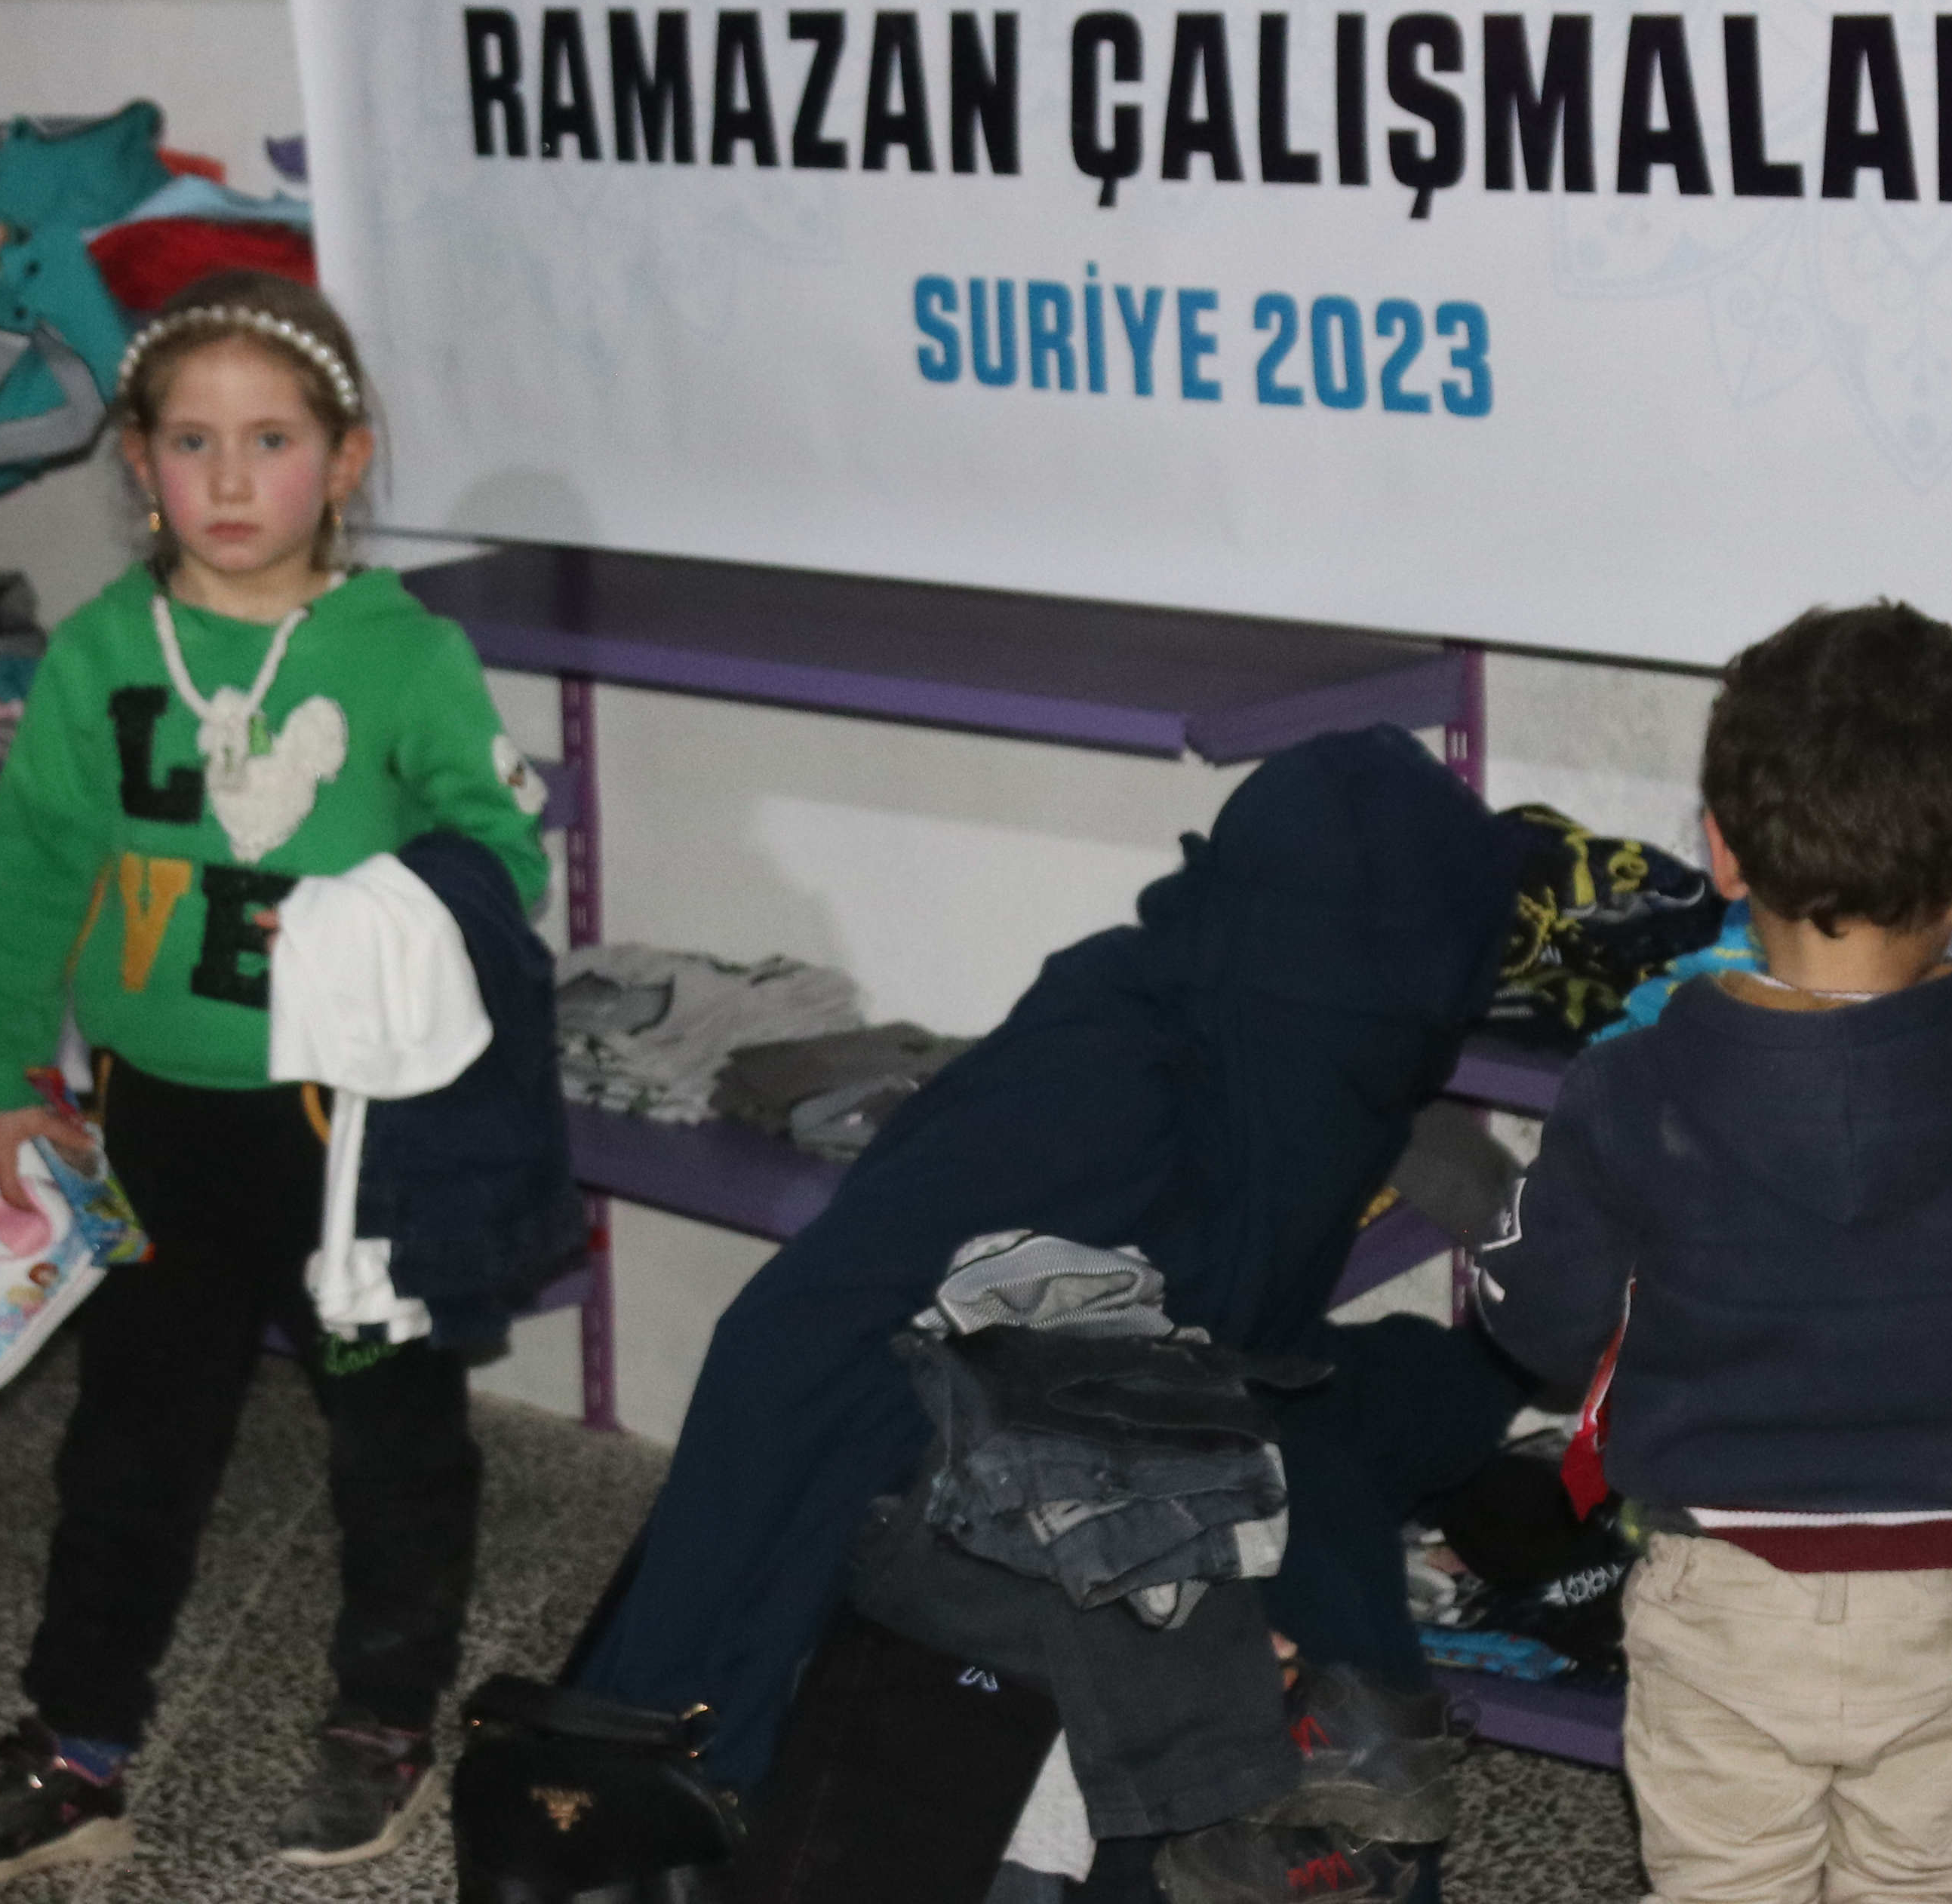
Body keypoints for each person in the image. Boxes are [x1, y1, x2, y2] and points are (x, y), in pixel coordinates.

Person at [569, 723, 1532, 1902]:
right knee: (1288, 1588)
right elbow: (797, 1346)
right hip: (927, 1518)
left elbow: (1242, 1354)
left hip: (1130, 1429)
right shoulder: (1102, 1089)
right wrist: (675, 1702)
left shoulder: (1276, 1040)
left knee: (1382, 1435)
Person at [0, 272, 546, 1880]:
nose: (233, 477)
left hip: (356, 1137)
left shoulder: (402, 653)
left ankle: (383, 1723)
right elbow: (30, 877)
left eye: (272, 439)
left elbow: (506, 851)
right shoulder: (101, 651)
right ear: (139, 460)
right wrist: (1, 1071)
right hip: (155, 1121)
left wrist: (394, 903)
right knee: (131, 1444)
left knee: (393, 1439)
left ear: (346, 458)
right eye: (193, 441)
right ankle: (77, 1745)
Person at [1477, 601, 1952, 1904]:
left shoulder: (1632, 1086)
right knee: (1926, 1877)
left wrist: (1505, 1239)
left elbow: (1539, 1323)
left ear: (1723, 850)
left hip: (1722, 1593)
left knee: (1726, 1881)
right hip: (1946, 1594)